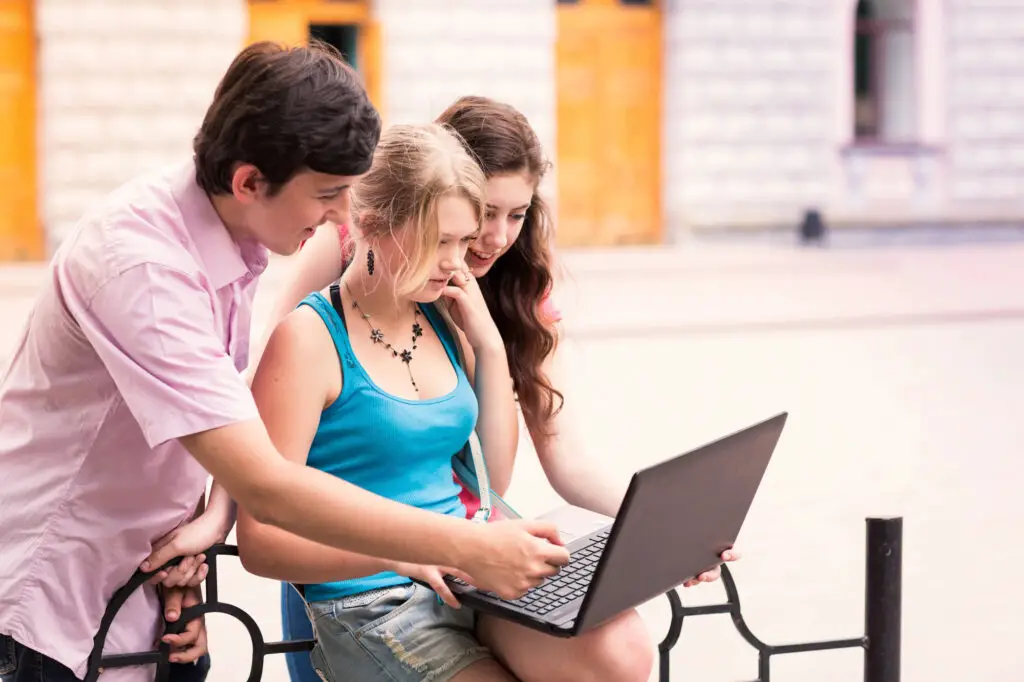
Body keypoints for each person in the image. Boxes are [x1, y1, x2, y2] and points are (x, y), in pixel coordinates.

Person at [0, 46, 568, 682]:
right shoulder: (146, 270)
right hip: (48, 600)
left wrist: (206, 521)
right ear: (248, 181)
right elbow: (267, 483)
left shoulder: (226, 233)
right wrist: (466, 544)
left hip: (147, 584)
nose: (342, 217)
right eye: (328, 195)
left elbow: (209, 415)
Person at [258, 96, 739, 682]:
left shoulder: (444, 308)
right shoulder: (315, 320)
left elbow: (503, 475)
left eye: (512, 218)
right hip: (381, 588)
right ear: (380, 222)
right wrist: (425, 550)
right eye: (450, 237)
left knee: (623, 653)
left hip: (466, 566)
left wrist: (487, 345)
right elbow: (260, 471)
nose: (474, 253)